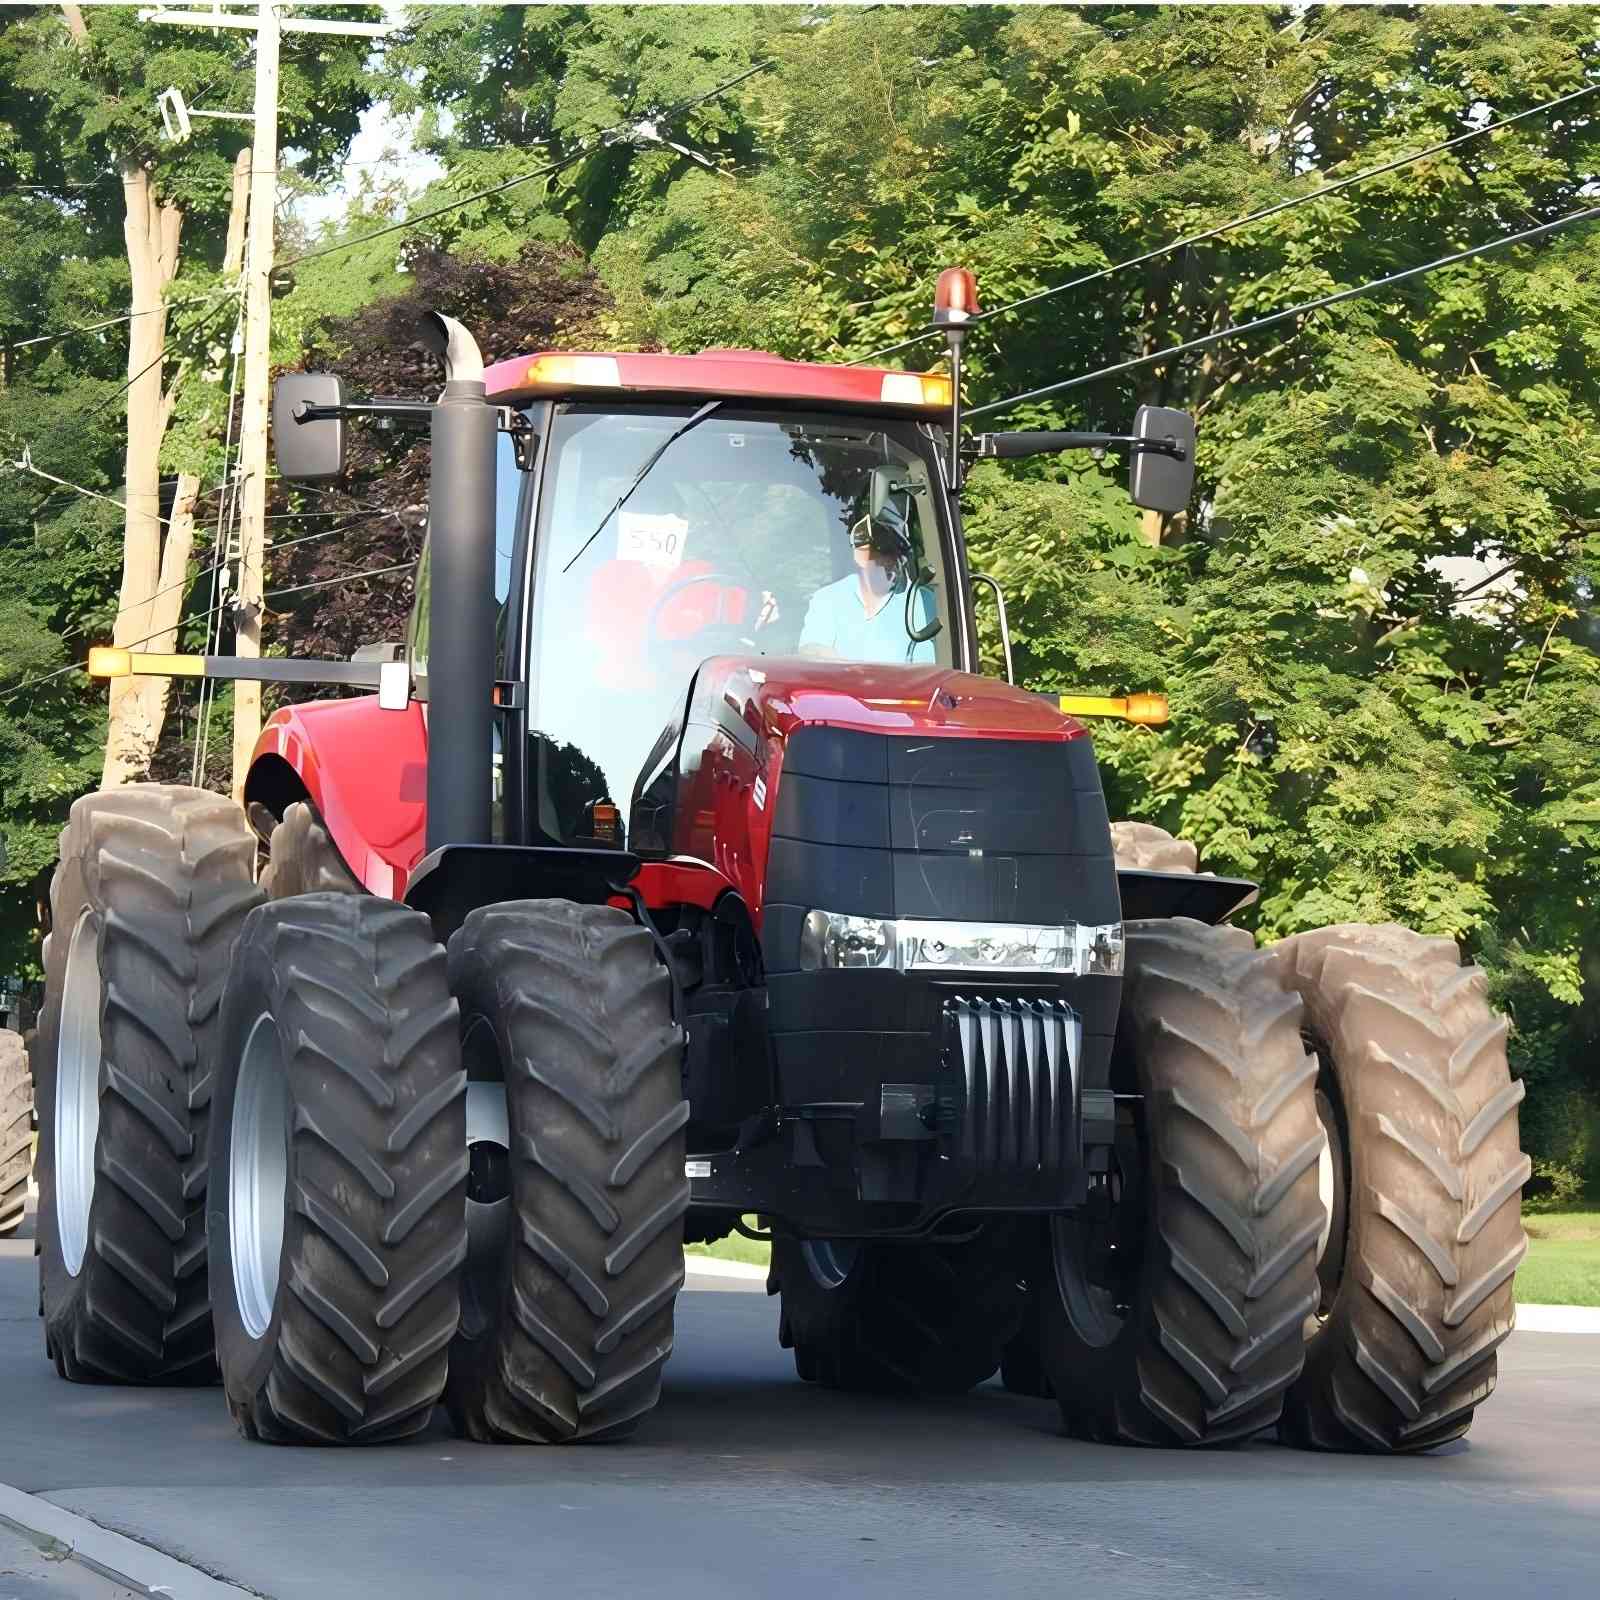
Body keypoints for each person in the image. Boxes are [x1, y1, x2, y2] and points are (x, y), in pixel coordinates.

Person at [798, 503, 937, 664]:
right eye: (884, 549)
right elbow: (810, 650)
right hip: (843, 687)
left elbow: (927, 669)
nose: (893, 559)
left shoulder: (922, 601)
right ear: (860, 555)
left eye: (898, 549)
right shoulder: (828, 599)